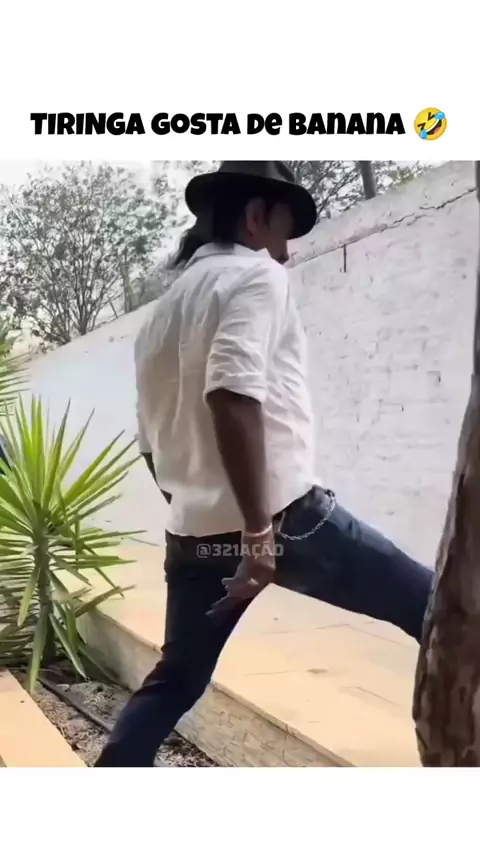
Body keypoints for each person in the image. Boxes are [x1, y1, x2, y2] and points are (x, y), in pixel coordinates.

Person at [96, 161, 433, 767]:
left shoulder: (160, 316)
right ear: (254, 218)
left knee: (176, 680)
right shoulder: (255, 276)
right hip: (285, 522)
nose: (286, 251)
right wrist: (256, 532)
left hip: (194, 537)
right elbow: (231, 393)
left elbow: (149, 443)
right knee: (437, 607)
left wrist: (199, 511)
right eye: (283, 231)